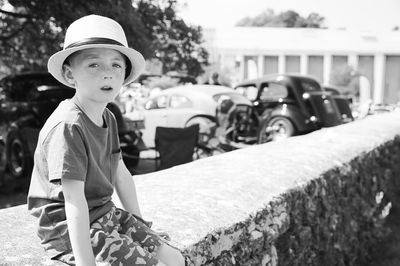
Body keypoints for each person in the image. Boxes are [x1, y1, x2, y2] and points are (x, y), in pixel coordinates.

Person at [27, 15, 185, 266]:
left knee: (175, 258)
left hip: (103, 212)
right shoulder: (69, 125)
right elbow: (74, 200)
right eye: (94, 65)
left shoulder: (107, 117)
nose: (108, 74)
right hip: (70, 228)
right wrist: (85, 262)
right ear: (70, 75)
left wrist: (140, 227)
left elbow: (120, 172)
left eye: (116, 65)